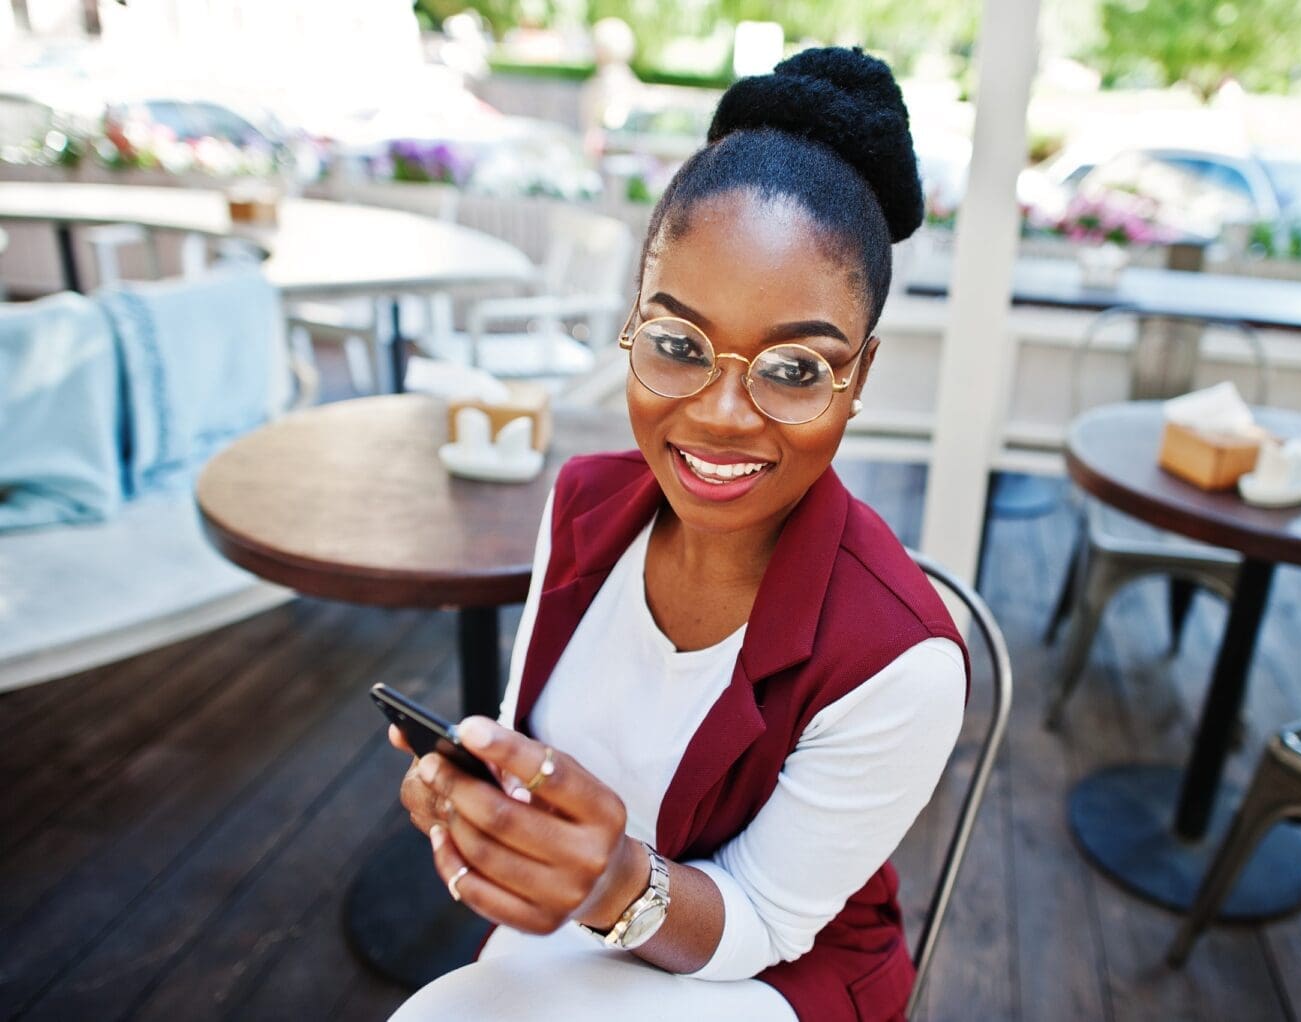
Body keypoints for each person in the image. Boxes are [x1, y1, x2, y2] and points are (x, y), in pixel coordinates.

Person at [388, 46, 968, 1022]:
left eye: (793, 368)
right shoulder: (583, 504)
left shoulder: (902, 657)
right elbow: (536, 752)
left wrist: (611, 880)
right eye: (679, 346)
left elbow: (769, 919)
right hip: (575, 933)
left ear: (858, 377)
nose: (723, 415)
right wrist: (483, 810)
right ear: (634, 327)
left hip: (769, 972)